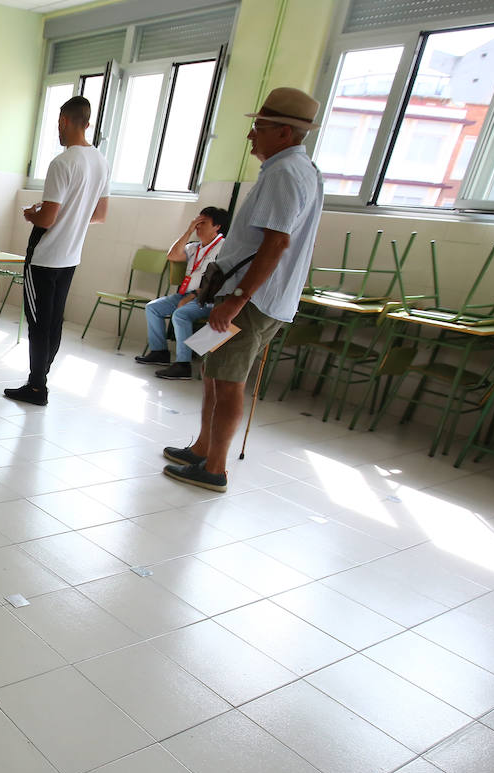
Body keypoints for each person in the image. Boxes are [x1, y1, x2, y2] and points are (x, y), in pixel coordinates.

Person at [163, 87, 324, 493]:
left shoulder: (287, 174)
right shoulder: (295, 169)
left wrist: (237, 299)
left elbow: (276, 244)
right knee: (215, 372)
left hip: (251, 300)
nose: (252, 135)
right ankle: (202, 448)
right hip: (253, 297)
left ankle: (214, 467)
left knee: (229, 379)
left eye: (260, 127)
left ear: (285, 133)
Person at [4, 96, 109, 406]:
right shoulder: (100, 161)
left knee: (38, 322)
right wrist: (71, 217)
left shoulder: (62, 162)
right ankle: (40, 379)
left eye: (58, 124)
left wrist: (29, 213)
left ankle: (37, 386)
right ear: (86, 123)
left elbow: (47, 218)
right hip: (71, 257)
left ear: (63, 121)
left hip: (45, 256)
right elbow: (100, 214)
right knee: (54, 321)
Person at [136, 207, 230, 380]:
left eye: (203, 223)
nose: (198, 226)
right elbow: (172, 256)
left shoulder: (223, 248)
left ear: (217, 227)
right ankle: (160, 352)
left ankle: (183, 365)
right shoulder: (194, 247)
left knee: (180, 315)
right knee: (152, 308)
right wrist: (188, 231)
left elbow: (220, 282)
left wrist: (192, 296)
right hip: (184, 295)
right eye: (197, 222)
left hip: (207, 299)